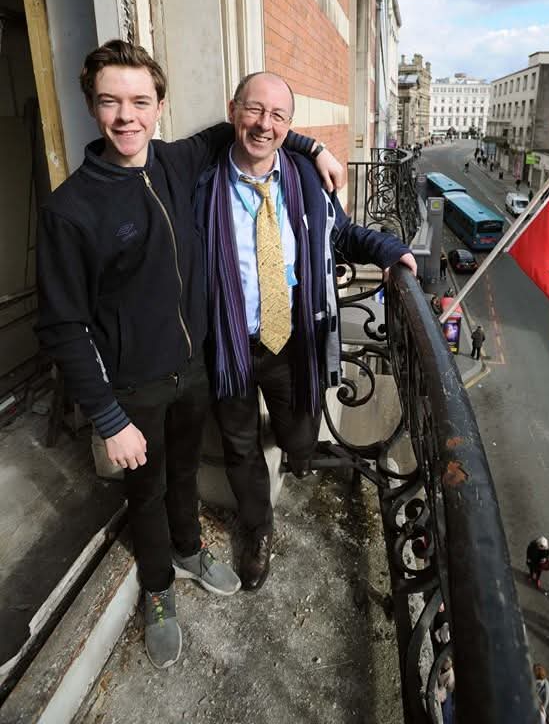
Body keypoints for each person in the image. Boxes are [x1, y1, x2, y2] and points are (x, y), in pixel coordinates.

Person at [36, 41, 342, 670]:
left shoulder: (178, 161)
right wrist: (108, 418)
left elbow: (260, 126)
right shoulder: (70, 210)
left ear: (159, 106)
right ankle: (157, 589)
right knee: (144, 490)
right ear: (91, 106)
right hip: (134, 385)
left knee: (181, 475)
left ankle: (186, 547)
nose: (127, 116)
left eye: (140, 101)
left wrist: (314, 148)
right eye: (111, 102)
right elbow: (64, 326)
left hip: (197, 368)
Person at [201, 72, 417, 591]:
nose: (264, 125)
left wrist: (389, 251)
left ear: (289, 125)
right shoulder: (201, 180)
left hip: (289, 341)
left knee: (300, 432)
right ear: (233, 110)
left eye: (278, 116)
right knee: (239, 445)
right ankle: (257, 529)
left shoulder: (303, 176)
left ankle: (298, 453)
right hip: (227, 343)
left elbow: (342, 233)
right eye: (254, 111)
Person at [436, 656, 455, 724]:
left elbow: (449, 687)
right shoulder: (442, 669)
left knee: (447, 716)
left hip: (446, 692)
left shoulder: (450, 673)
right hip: (445, 691)